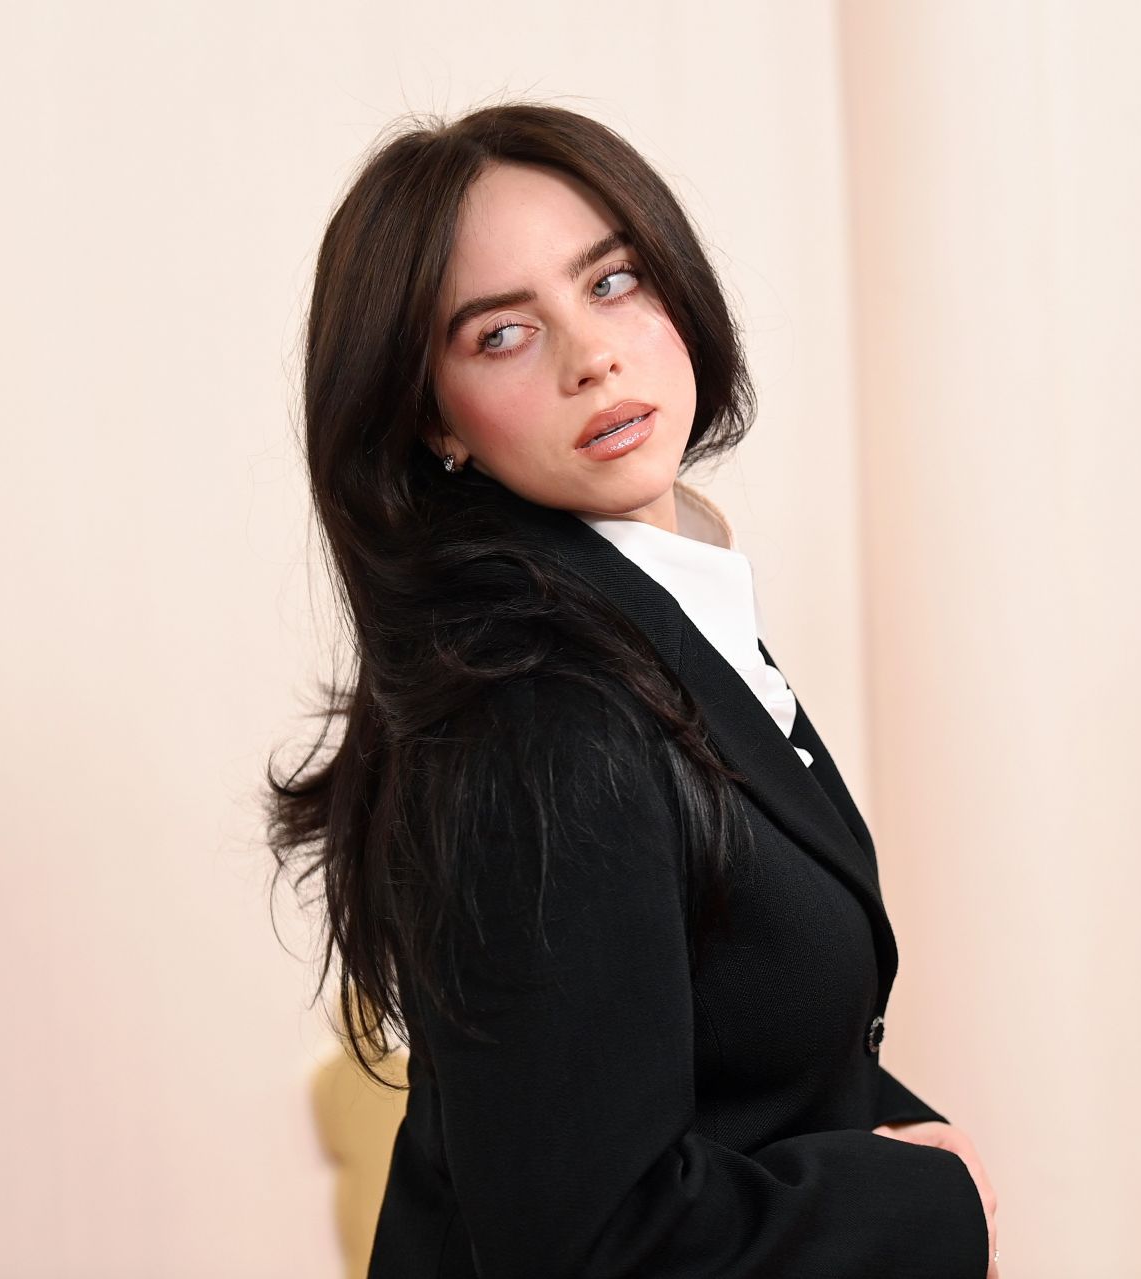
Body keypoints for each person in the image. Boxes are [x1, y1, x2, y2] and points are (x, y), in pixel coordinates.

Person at [266, 100, 1001, 1277]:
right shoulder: (540, 716)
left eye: (610, 284)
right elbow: (590, 1242)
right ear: (432, 421)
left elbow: (739, 1039)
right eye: (501, 335)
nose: (591, 354)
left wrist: (900, 1140)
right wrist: (927, 1199)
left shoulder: (646, 616)